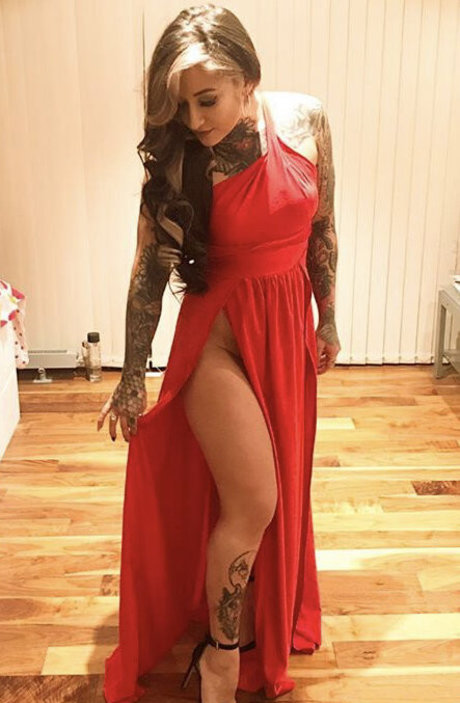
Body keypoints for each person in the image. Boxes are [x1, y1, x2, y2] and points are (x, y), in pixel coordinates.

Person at [98, 4, 340, 703]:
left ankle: (261, 612)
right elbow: (148, 273)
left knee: (278, 489)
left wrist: (328, 316)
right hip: (218, 341)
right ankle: (222, 657)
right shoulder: (182, 159)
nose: (194, 118)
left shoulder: (307, 121)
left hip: (285, 330)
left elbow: (323, 225)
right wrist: (132, 375)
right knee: (255, 498)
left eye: (206, 99)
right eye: (181, 105)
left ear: (246, 77)